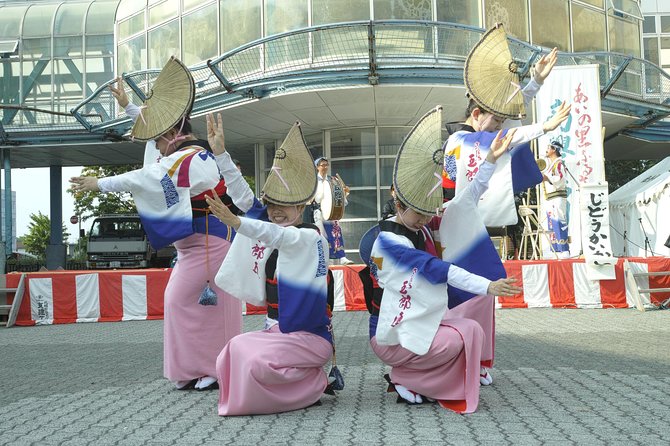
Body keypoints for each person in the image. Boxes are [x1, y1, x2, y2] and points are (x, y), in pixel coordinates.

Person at [70, 58, 252, 392]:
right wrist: (128, 106)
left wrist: (101, 184)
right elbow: (153, 135)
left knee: (194, 303)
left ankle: (217, 367)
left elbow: (149, 175)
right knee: (183, 302)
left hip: (211, 243)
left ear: (171, 135)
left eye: (156, 140)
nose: (151, 145)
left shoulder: (195, 159)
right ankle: (194, 368)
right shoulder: (174, 151)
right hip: (194, 246)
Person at [367, 107, 521, 413]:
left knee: (471, 331)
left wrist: (491, 158)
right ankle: (403, 376)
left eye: (430, 210)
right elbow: (437, 269)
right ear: (398, 201)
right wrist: (488, 286)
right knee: (455, 341)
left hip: (418, 320)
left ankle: (419, 378)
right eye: (419, 210)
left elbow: (471, 193)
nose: (426, 216)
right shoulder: (388, 242)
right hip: (391, 333)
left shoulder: (425, 226)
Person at [443, 42, 571, 385]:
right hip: (452, 226)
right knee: (465, 292)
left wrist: (536, 82)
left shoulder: (483, 135)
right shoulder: (459, 140)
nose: (499, 125)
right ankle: (457, 359)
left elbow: (502, 124)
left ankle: (477, 358)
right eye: (494, 120)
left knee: (486, 289)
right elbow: (503, 137)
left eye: (501, 121)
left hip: (470, 225)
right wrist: (542, 127)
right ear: (474, 115)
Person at [205, 115, 337, 416]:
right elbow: (242, 196)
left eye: (284, 205)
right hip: (276, 332)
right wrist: (221, 154)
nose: (275, 212)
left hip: (309, 337)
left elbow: (275, 233)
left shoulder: (309, 237)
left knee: (255, 363)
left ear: (301, 207)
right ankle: (292, 385)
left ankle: (313, 384)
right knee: (232, 351)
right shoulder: (273, 220)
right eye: (272, 205)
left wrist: (237, 222)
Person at [312, 156, 353, 265]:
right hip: (319, 211)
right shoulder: (314, 181)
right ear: (317, 167)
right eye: (322, 165)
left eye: (326, 165)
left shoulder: (332, 180)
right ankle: (327, 259)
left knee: (336, 233)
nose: (325, 167)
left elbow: (337, 196)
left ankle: (342, 257)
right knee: (323, 236)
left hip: (331, 210)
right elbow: (317, 198)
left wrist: (345, 192)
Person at [542, 140, 569, 258]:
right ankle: (556, 250)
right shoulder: (551, 165)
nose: (546, 150)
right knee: (552, 223)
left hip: (557, 197)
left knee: (559, 221)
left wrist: (546, 178)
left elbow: (560, 179)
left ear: (554, 150)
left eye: (548, 147)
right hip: (550, 198)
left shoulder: (559, 163)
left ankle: (564, 249)